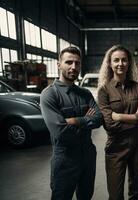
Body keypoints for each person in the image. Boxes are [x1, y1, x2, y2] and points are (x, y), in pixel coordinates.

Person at [40, 46, 102, 200]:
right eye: (69, 62)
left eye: (77, 63)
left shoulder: (85, 93)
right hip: (65, 157)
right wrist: (87, 121)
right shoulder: (49, 94)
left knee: (86, 196)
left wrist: (74, 121)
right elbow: (61, 132)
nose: (73, 67)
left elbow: (99, 118)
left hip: (88, 155)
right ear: (59, 64)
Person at [97, 44, 138, 200]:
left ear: (129, 63)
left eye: (124, 60)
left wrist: (119, 116)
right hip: (115, 147)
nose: (120, 64)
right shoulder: (104, 90)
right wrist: (135, 118)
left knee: (136, 191)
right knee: (115, 194)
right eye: (116, 60)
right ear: (110, 64)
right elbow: (109, 124)